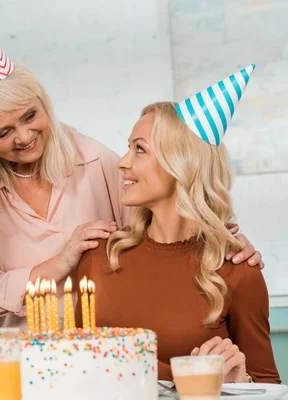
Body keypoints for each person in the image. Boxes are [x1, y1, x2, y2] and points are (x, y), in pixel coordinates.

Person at [0, 6, 263, 329]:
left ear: (43, 102)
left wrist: (223, 241)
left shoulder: (97, 161)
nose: (25, 137)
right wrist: (61, 260)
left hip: (99, 352)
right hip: (13, 357)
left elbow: (164, 231)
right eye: (3, 133)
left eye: (30, 116)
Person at [76, 65, 280, 383]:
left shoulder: (238, 269)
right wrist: (190, 376)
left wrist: (239, 377)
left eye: (139, 149)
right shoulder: (99, 255)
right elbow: (75, 367)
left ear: (180, 164)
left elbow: (267, 384)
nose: (122, 161)